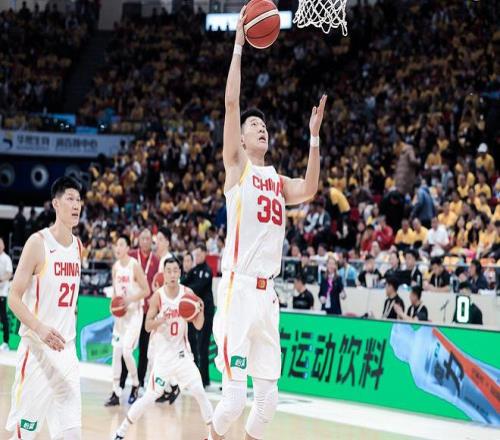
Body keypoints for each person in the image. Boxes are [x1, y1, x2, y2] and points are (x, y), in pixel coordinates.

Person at [211, 8, 326, 439]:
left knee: (268, 403)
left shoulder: (277, 181)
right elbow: (231, 103)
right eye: (253, 125)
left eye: (263, 125)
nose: (261, 128)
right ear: (241, 138)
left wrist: (314, 136)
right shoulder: (237, 168)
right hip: (238, 290)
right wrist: (239, 46)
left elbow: (310, 188)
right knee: (233, 401)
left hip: (267, 296)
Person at [6, 176, 84, 440]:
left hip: (67, 352)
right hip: (38, 352)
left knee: (72, 434)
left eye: (79, 200)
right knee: (25, 434)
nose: (76, 205)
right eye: (70, 198)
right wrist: (39, 327)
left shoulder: (78, 246)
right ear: (55, 204)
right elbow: (13, 297)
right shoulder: (38, 243)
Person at [113, 258, 213, 440]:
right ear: (164, 274)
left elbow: (199, 325)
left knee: (199, 391)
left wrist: (200, 309)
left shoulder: (187, 294)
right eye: (169, 271)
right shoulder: (158, 296)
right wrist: (160, 319)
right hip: (163, 358)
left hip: (182, 356)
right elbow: (147, 326)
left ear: (180, 273)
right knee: (148, 397)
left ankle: (214, 435)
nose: (172, 274)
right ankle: (121, 432)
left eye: (175, 270)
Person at [105, 236, 149, 407]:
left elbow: (146, 290)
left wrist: (129, 300)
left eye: (121, 244)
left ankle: (136, 384)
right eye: (116, 244)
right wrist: (113, 305)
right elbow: (115, 293)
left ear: (128, 248)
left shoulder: (134, 265)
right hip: (121, 316)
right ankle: (115, 392)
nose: (117, 247)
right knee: (116, 353)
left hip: (134, 314)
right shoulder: (115, 267)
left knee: (127, 352)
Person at [120, 229, 159, 392]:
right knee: (126, 347)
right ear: (138, 240)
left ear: (151, 241)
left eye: (148, 239)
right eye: (143, 238)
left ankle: (140, 384)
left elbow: (157, 285)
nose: (145, 241)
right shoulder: (131, 256)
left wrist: (154, 299)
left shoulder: (156, 260)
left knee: (144, 348)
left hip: (148, 310)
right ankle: (121, 383)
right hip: (132, 309)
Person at [182, 242, 215, 387]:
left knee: (203, 346)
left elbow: (198, 287)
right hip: (194, 314)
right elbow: (183, 282)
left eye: (200, 254)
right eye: (196, 254)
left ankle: (204, 379)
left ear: (205, 254)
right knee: (193, 345)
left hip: (206, 312)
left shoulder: (207, 271)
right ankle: (194, 376)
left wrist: (186, 289)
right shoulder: (194, 270)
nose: (197, 257)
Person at [0, 237, 13, 351]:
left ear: (3, 245)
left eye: (1, 243)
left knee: (3, 317)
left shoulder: (6, 258)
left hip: (2, 293)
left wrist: (1, 279)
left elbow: (9, 274)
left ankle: (6, 342)